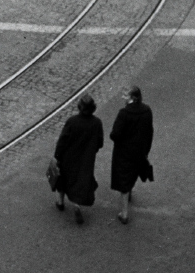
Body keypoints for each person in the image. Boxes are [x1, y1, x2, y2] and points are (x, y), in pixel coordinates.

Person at [53, 94, 104, 224]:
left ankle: (60, 202)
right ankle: (76, 205)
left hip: (69, 157)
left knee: (63, 178)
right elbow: (100, 142)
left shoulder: (72, 121)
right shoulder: (97, 123)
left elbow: (62, 141)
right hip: (86, 159)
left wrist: (57, 155)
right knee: (80, 181)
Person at [110, 87, 154, 224]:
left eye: (125, 95)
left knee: (123, 179)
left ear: (133, 98)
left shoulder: (124, 113)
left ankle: (124, 214)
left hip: (124, 152)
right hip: (139, 150)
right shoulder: (147, 110)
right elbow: (149, 132)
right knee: (133, 173)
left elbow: (115, 134)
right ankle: (129, 192)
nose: (123, 97)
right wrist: (146, 149)